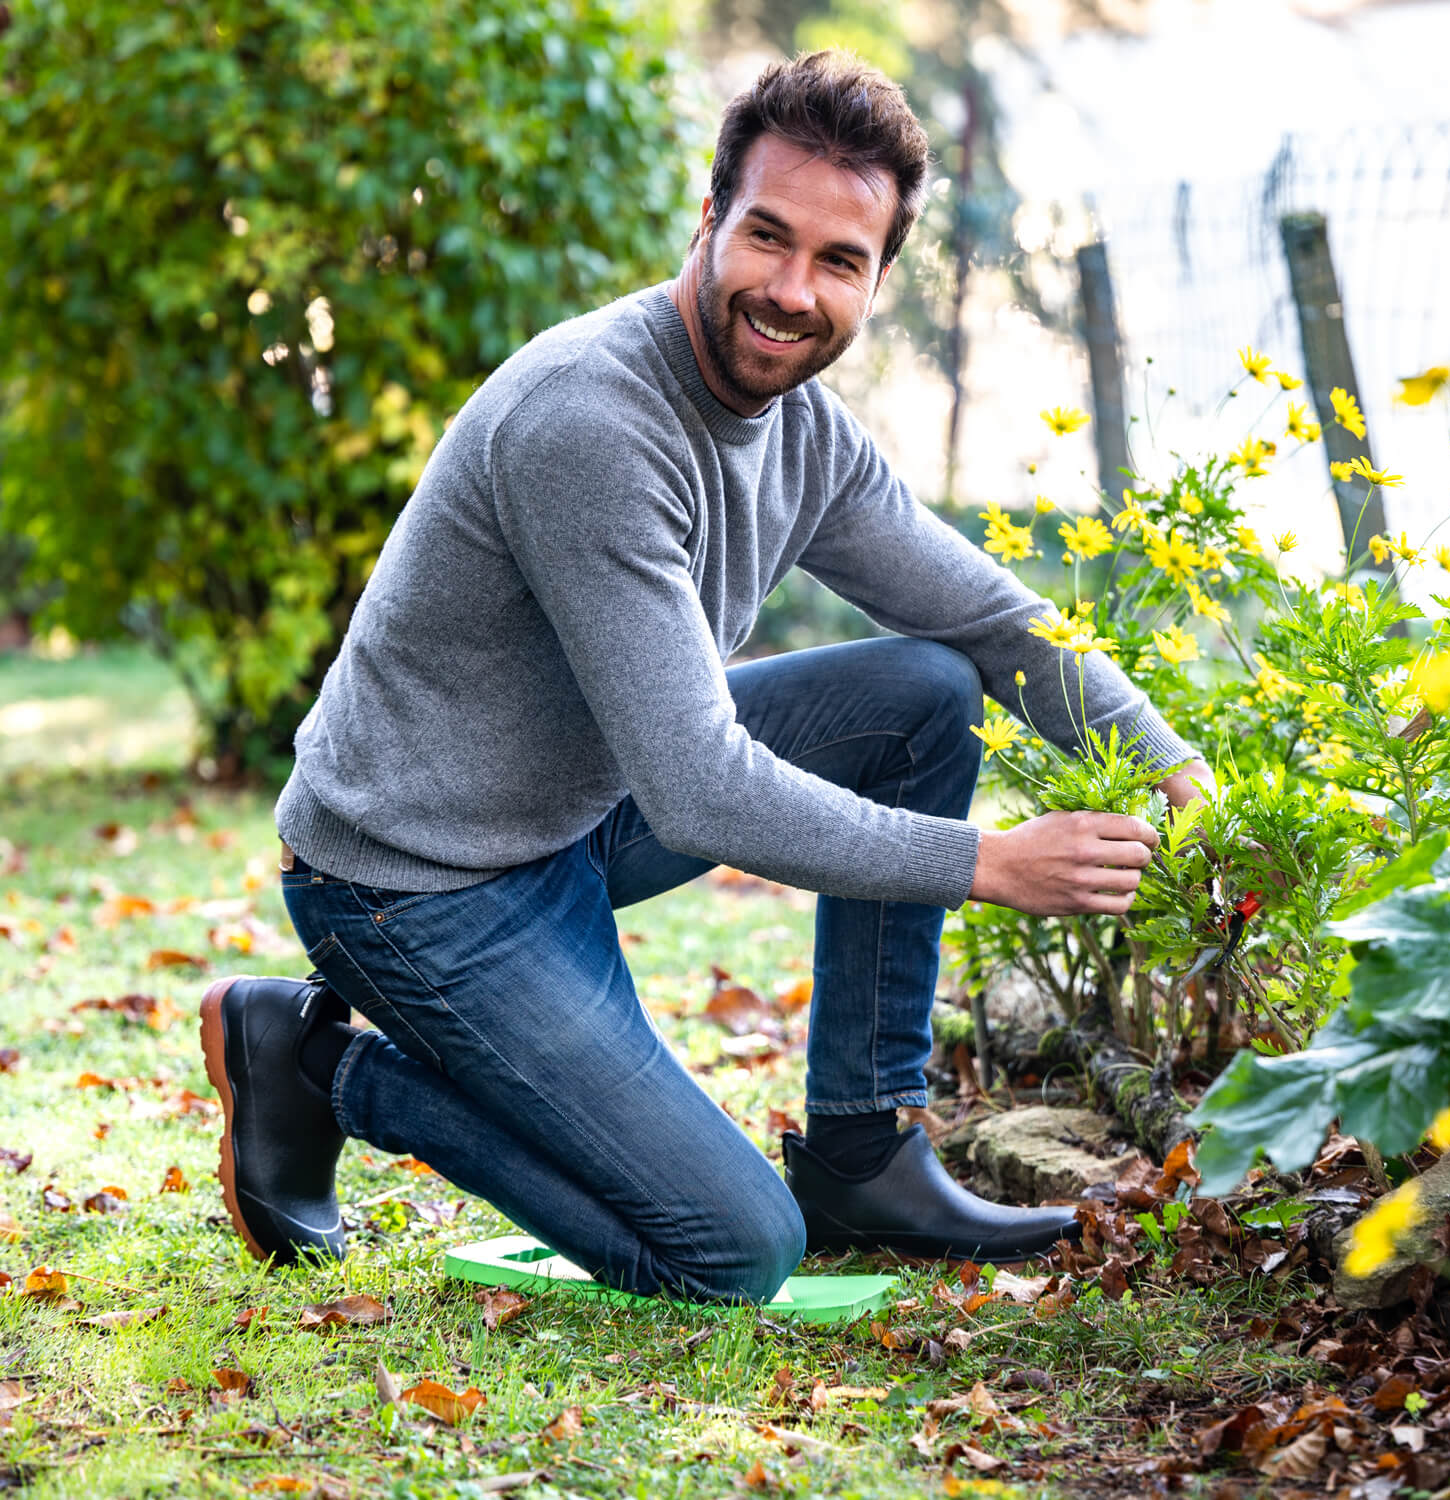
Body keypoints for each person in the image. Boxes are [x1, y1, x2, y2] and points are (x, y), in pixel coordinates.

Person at [199, 50, 1211, 1302]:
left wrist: (1180, 770)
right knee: (734, 1249)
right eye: (767, 238)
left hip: (569, 816)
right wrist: (995, 866)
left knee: (926, 694)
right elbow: (701, 795)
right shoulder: (592, 421)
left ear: (878, 279)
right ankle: (319, 1072)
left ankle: (862, 1151)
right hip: (415, 882)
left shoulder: (807, 436)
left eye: (839, 262)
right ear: (709, 217)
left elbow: (997, 625)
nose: (791, 292)